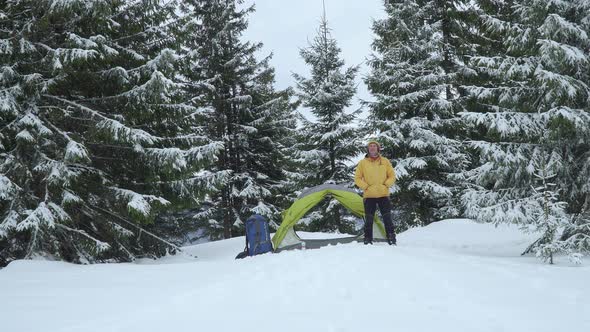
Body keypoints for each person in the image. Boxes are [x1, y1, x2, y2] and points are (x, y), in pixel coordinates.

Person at [354, 140, 397, 245]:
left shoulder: (385, 161)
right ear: (368, 149)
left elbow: (392, 176)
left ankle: (391, 237)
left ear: (378, 148)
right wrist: (366, 187)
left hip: (383, 195)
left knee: (387, 218)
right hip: (369, 195)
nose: (372, 148)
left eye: (374, 146)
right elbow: (357, 178)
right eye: (370, 146)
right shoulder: (363, 163)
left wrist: (386, 185)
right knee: (369, 219)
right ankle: (368, 239)